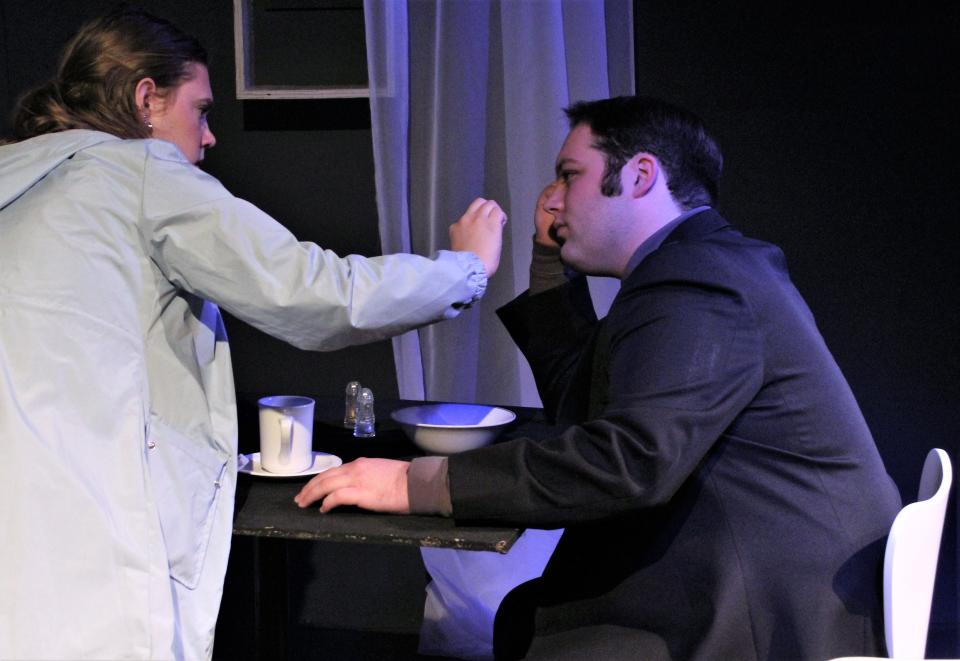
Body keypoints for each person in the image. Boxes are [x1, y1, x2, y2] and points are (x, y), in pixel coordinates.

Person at [295, 95, 903, 660]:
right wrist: (548, 257)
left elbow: (630, 460)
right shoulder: (694, 266)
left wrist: (416, 485)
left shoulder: (698, 281)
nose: (552, 197)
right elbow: (586, 407)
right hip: (757, 567)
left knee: (542, 625)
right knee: (530, 614)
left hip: (768, 603)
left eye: (570, 175)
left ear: (639, 175)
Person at [0, 7, 506, 661]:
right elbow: (315, 290)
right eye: (201, 110)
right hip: (96, 543)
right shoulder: (139, 174)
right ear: (146, 100)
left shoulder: (19, 185)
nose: (209, 137)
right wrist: (467, 270)